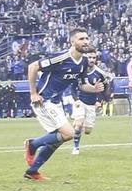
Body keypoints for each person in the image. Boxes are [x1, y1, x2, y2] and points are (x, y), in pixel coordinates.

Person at [23, 28, 93, 182]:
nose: (86, 41)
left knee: (59, 138)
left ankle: (32, 171)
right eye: (81, 39)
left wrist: (95, 88)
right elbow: (32, 67)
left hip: (56, 102)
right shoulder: (60, 58)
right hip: (44, 100)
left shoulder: (84, 62)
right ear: (72, 41)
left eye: (87, 38)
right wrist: (33, 93)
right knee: (69, 133)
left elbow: (82, 85)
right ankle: (32, 145)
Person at [69, 51, 112, 155]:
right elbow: (73, 87)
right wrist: (76, 99)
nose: (92, 60)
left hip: (91, 104)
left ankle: (76, 125)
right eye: (89, 57)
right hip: (80, 101)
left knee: (87, 131)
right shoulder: (79, 71)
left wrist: (99, 101)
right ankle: (76, 147)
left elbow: (105, 88)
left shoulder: (100, 73)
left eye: (94, 57)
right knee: (79, 124)